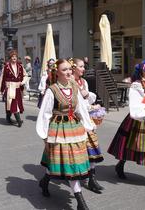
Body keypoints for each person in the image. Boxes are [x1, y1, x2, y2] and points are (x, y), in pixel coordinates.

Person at [36, 59, 94, 210]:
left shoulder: (74, 88)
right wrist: (43, 134)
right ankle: (81, 202)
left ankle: (45, 181)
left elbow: (80, 108)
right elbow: (45, 114)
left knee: (70, 163)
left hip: (74, 128)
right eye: (64, 70)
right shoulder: (52, 90)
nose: (68, 72)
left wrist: (88, 125)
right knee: (61, 161)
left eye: (69, 69)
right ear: (57, 72)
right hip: (58, 128)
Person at [107, 59, 145, 192]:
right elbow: (135, 105)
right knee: (130, 146)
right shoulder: (137, 86)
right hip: (141, 119)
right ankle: (120, 165)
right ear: (144, 71)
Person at [72, 58, 104, 194]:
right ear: (73, 68)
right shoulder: (70, 83)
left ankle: (92, 179)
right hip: (77, 121)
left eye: (83, 66)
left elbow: (87, 100)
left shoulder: (83, 82)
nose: (83, 69)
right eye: (81, 66)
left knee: (91, 151)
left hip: (87, 119)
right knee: (75, 153)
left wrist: (92, 107)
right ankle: (49, 177)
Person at [0, 50, 25, 128]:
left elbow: (25, 76)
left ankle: (8, 118)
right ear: (10, 58)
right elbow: (2, 78)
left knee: (14, 104)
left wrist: (23, 82)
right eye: (12, 57)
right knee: (13, 104)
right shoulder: (6, 67)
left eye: (15, 56)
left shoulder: (20, 66)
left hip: (17, 88)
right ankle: (18, 120)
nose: (14, 58)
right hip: (10, 88)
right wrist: (0, 89)